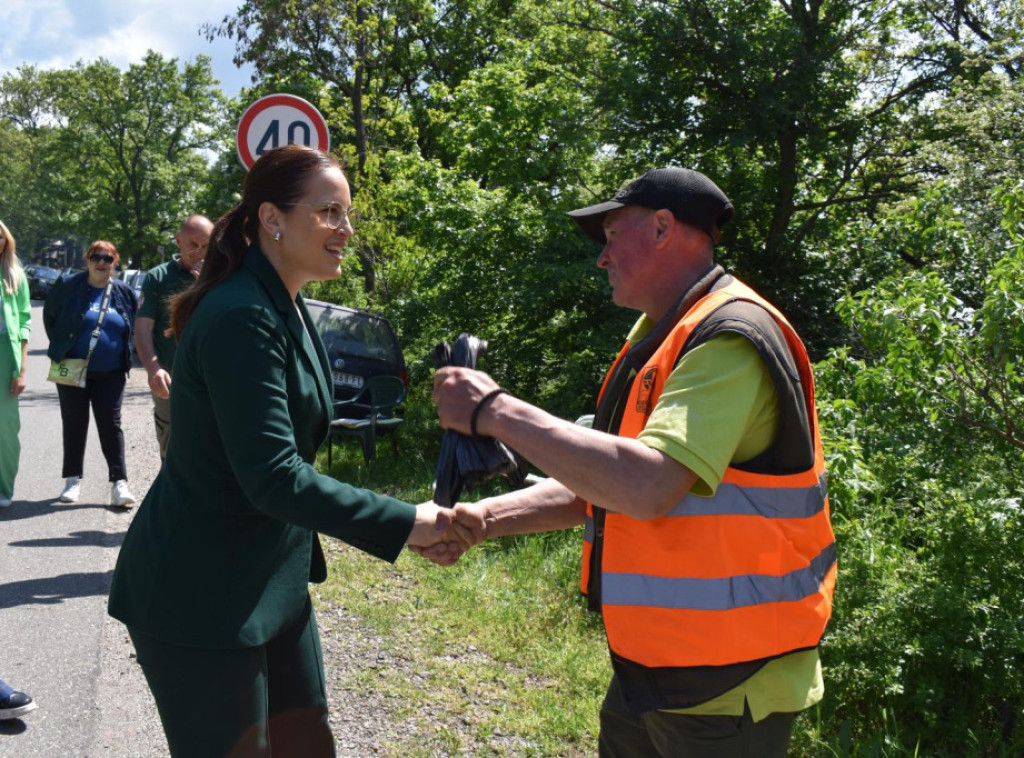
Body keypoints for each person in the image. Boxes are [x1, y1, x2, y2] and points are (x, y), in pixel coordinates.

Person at [428, 168, 837, 756]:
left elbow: (647, 484)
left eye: (612, 234)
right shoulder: (660, 338)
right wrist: (486, 519)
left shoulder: (731, 336)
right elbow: (600, 484)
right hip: (653, 670)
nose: (602, 258)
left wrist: (494, 411)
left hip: (732, 683)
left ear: (665, 228)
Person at [107, 144, 462, 758]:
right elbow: (274, 476)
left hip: (272, 577)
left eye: (347, 214)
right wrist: (405, 522)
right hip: (201, 593)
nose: (346, 230)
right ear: (272, 218)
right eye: (328, 212)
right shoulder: (242, 314)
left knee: (307, 746)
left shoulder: (287, 304)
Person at [43, 240, 138, 508]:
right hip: (72, 368)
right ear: (87, 259)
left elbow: (132, 325)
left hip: (111, 373)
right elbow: (51, 317)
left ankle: (119, 482)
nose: (101, 262)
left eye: (107, 258)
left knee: (111, 425)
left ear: (114, 262)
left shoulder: (124, 292)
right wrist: (63, 346)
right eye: (96, 257)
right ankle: (72, 480)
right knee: (74, 423)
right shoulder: (69, 286)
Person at [134, 214, 214, 458]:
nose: (199, 252)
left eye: (205, 246)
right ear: (178, 240)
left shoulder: (221, 277)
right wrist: (152, 368)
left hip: (211, 380)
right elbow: (143, 326)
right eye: (193, 244)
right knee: (172, 451)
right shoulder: (158, 277)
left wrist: (206, 285)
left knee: (209, 449)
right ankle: (171, 495)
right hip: (170, 378)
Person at [0, 220, 31, 509]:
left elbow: (24, 324)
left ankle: (3, 488)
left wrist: (21, 370)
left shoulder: (15, 276)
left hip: (4, 356)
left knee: (6, 427)